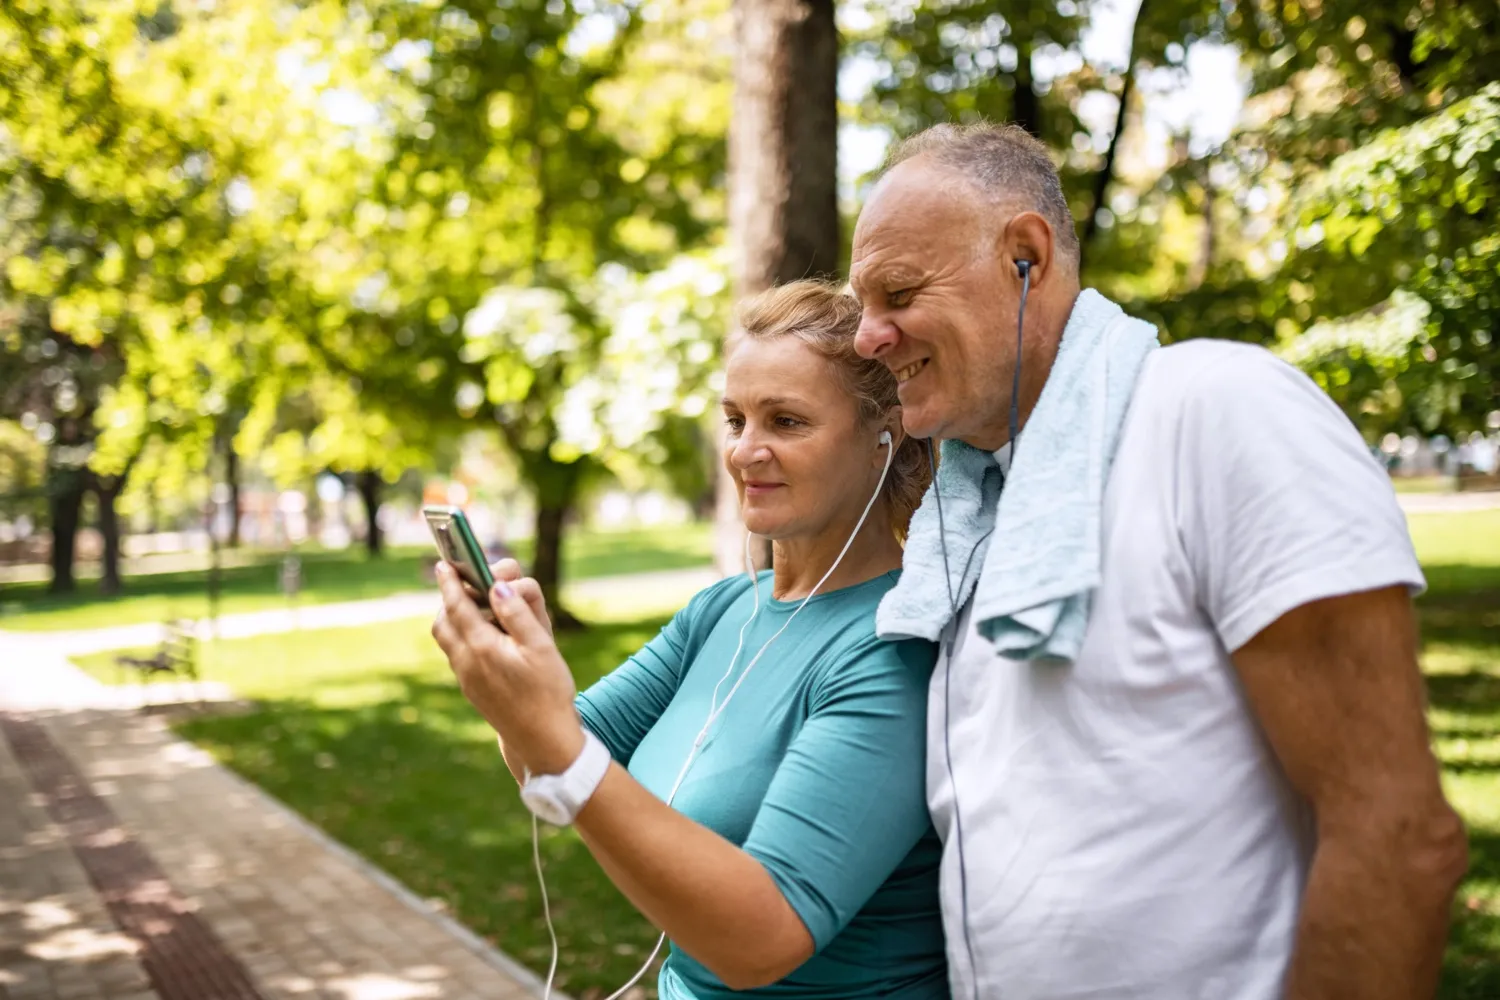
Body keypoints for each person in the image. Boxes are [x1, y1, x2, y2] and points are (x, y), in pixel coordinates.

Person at [848, 121, 1467, 1000]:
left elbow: (1397, 833)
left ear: (1026, 256)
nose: (868, 338)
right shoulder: (975, 513)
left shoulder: (1218, 409)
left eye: (898, 292)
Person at [431, 280, 950, 999]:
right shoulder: (722, 612)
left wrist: (551, 740)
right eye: (735, 419)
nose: (745, 452)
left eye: (787, 421)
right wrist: (524, 671)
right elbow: (545, 764)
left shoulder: (894, 643)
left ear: (883, 439)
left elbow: (763, 941)